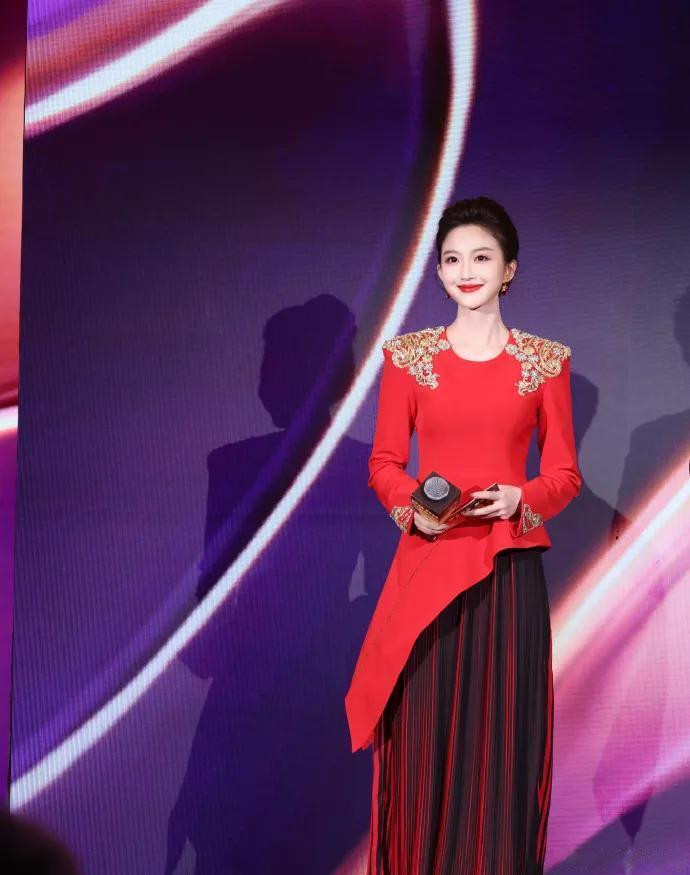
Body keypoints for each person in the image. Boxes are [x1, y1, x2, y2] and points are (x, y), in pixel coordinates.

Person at [345, 196, 582, 874]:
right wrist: (412, 510)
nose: (466, 271)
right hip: (428, 566)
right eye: (452, 259)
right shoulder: (408, 357)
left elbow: (564, 474)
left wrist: (520, 497)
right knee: (423, 744)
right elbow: (384, 464)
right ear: (439, 272)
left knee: (501, 746)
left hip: (507, 572)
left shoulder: (545, 361)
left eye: (481, 257)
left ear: (509, 269)